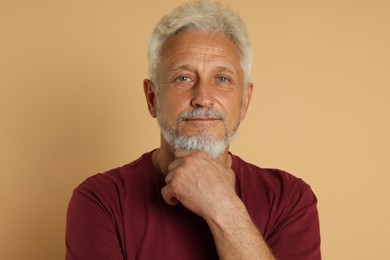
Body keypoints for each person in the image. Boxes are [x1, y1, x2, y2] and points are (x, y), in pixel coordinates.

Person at [65, 1, 321, 259]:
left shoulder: (290, 200)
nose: (203, 97)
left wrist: (223, 206)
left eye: (222, 79)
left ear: (244, 102)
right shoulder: (101, 200)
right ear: (152, 98)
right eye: (183, 78)